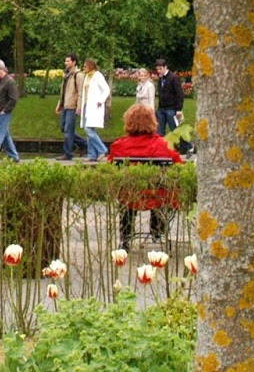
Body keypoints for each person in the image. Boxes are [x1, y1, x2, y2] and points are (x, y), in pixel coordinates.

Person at [104, 104, 183, 242]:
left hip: (129, 196)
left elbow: (110, 169)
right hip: (158, 194)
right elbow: (179, 167)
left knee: (128, 194)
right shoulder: (164, 144)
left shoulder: (119, 146)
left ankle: (126, 234)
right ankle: (158, 232)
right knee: (161, 192)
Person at [0, 59, 21, 162]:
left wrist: (5, 110)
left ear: (2, 69)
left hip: (3, 113)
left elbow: (13, 99)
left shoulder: (10, 82)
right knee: (5, 136)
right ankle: (14, 157)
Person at [55, 53, 87, 161]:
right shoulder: (67, 75)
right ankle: (84, 144)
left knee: (69, 129)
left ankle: (67, 153)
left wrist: (79, 106)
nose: (66, 63)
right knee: (64, 128)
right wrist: (60, 104)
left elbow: (80, 92)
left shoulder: (78, 75)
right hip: (65, 105)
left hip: (72, 106)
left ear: (74, 62)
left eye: (68, 61)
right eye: (65, 61)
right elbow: (64, 91)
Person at [155, 58, 189, 153]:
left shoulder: (174, 77)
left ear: (165, 67)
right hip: (162, 108)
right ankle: (161, 150)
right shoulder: (160, 79)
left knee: (176, 129)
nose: (159, 71)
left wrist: (179, 109)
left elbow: (180, 94)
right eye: (157, 69)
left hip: (172, 108)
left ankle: (188, 146)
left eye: (160, 69)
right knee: (159, 131)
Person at [80, 58, 111, 162]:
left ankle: (102, 149)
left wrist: (101, 100)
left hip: (94, 105)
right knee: (89, 130)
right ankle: (92, 155)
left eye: (85, 66)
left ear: (90, 66)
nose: (83, 68)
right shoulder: (87, 76)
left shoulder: (98, 76)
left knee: (88, 129)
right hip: (86, 105)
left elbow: (106, 89)